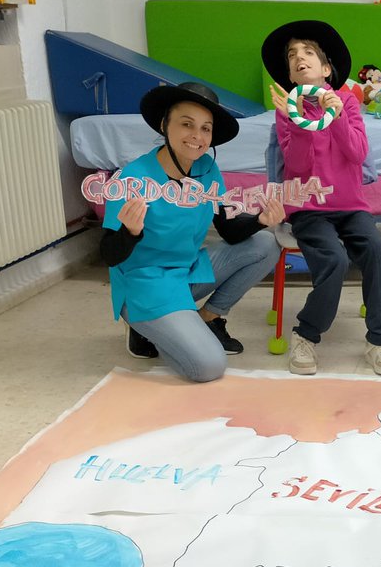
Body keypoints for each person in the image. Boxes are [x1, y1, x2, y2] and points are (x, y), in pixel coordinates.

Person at [101, 82, 283, 383]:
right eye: (187, 124)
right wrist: (130, 232)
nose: (197, 136)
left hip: (187, 271)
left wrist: (261, 220)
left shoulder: (206, 168)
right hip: (145, 283)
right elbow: (108, 254)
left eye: (205, 128)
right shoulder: (133, 178)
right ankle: (143, 325)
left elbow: (229, 230)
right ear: (164, 125)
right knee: (209, 366)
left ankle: (207, 318)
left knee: (265, 243)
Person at [261, 19, 381, 376]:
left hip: (351, 206)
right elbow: (297, 164)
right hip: (309, 209)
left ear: (326, 69)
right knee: (335, 260)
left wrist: (334, 114)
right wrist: (298, 120)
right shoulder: (288, 110)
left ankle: (380, 340)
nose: (299, 58)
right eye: (292, 55)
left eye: (308, 52)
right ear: (290, 74)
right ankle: (306, 334)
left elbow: (356, 153)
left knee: (375, 251)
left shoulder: (348, 102)